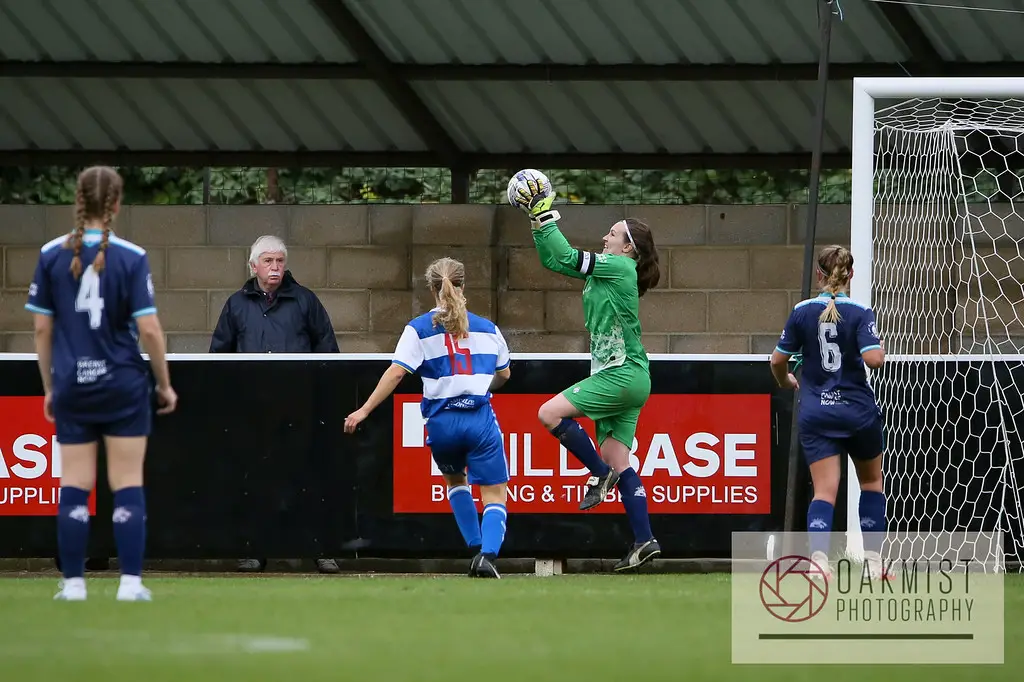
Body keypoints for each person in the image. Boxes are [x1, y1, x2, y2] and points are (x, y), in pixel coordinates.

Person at [25, 165, 178, 602]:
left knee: (74, 483)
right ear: (115, 204)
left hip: (73, 384)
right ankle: (130, 583)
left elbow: (41, 331)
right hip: (124, 384)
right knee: (127, 480)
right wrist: (164, 384)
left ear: (78, 199)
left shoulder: (51, 253)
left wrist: (51, 388)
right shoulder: (131, 256)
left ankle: (73, 584)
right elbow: (149, 330)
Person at [510, 172, 662, 572]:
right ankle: (644, 541)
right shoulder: (614, 268)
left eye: (612, 234)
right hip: (632, 374)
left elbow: (566, 257)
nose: (605, 238)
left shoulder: (619, 267)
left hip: (621, 372)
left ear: (629, 248)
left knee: (549, 413)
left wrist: (543, 210)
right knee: (620, 460)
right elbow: (552, 259)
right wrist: (537, 220)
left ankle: (599, 476)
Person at [344, 257, 511, 579]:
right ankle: (488, 555)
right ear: (463, 285)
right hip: (478, 419)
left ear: (432, 288)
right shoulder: (488, 329)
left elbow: (395, 373)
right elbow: (504, 374)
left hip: (441, 421)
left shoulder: (418, 328)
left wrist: (364, 410)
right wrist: (479, 383)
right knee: (494, 492)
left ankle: (474, 548)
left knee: (455, 481)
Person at [209, 235, 341, 574]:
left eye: (280, 261)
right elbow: (218, 357)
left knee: (308, 478)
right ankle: (254, 551)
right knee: (254, 480)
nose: (275, 267)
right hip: (251, 411)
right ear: (253, 266)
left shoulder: (306, 301)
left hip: (300, 407)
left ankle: (320, 550)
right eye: (268, 261)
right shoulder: (236, 304)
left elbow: (329, 350)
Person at [770, 245, 888, 580]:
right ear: (850, 274)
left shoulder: (802, 311)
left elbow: (777, 361)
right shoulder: (861, 311)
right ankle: (874, 564)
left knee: (824, 490)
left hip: (818, 411)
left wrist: (786, 379)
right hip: (858, 413)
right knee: (871, 483)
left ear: (819, 275)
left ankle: (819, 562)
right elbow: (874, 360)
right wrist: (879, 347)